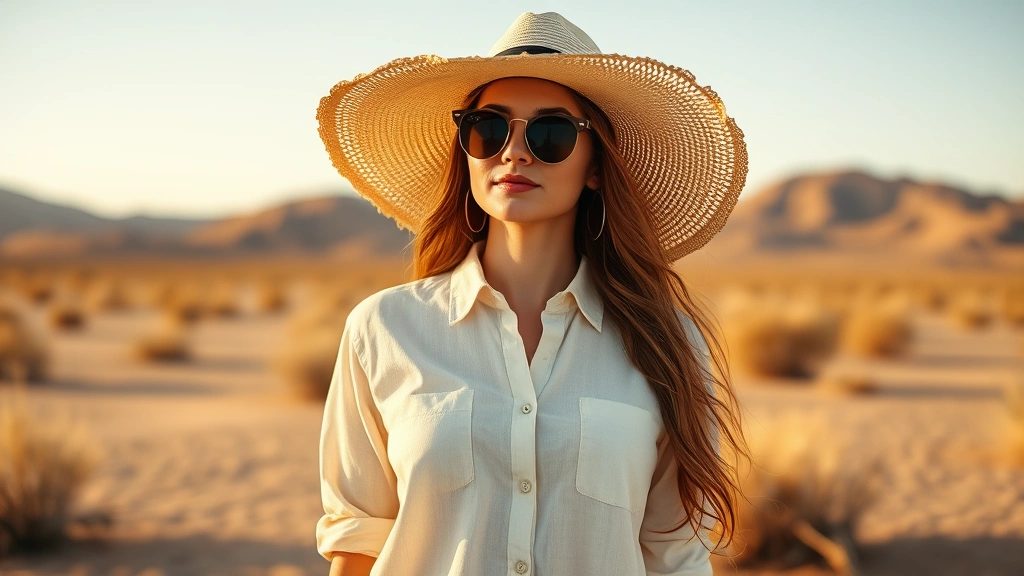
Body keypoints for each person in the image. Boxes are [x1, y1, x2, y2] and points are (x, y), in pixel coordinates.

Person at [314, 11, 749, 576]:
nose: (514, 152)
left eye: (550, 133)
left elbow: (677, 556)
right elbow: (358, 542)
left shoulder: (667, 341)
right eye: (488, 128)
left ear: (595, 166)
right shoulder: (385, 328)